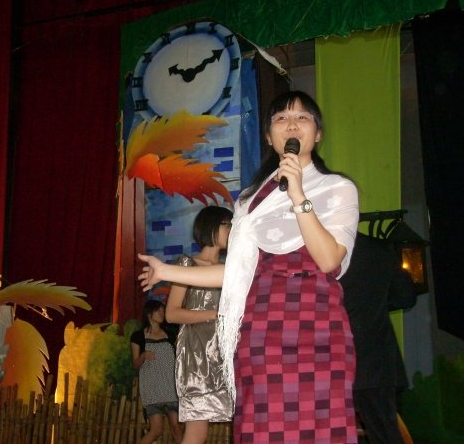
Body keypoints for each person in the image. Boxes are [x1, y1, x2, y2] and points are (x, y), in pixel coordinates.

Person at [139, 90, 360, 443]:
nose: (292, 124)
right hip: (262, 324)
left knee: (322, 425)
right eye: (281, 118)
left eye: (302, 117)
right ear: (270, 137)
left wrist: (298, 196)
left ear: (317, 133)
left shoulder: (337, 188)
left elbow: (329, 260)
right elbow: (237, 273)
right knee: (263, 426)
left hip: (318, 322)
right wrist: (166, 272)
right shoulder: (250, 201)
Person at [340, 232, 417, 444]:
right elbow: (406, 296)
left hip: (327, 359)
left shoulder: (311, 248)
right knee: (386, 434)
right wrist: (375, 306)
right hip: (376, 361)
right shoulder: (380, 249)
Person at [165, 206, 233, 444]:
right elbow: (171, 314)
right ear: (211, 227)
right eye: (227, 224)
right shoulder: (188, 264)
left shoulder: (231, 268)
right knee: (197, 431)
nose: (231, 230)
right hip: (197, 355)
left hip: (225, 353)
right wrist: (215, 314)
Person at [130, 299, 183, 444]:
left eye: (162, 310)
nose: (162, 313)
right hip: (151, 388)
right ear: (149, 313)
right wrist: (143, 356)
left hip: (170, 387)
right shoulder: (138, 336)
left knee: (176, 426)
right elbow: (135, 364)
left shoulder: (170, 333)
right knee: (156, 430)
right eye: (158, 310)